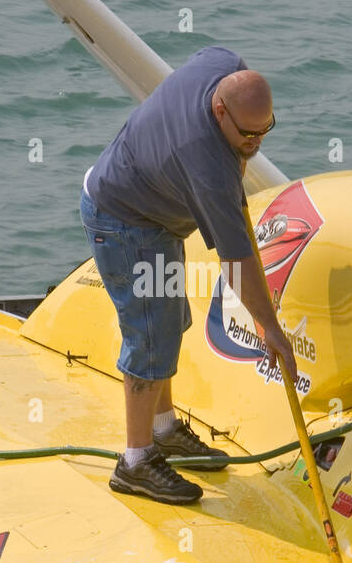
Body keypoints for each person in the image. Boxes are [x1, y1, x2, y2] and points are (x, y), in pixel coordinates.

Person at [79, 45, 298, 505]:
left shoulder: (224, 65)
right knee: (150, 335)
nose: (256, 144)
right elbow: (236, 262)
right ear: (219, 110)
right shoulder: (205, 161)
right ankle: (135, 462)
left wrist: (239, 146)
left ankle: (164, 431)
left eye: (265, 131)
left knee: (171, 322)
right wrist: (269, 327)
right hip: (123, 219)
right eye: (246, 134)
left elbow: (217, 57)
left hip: (153, 210)